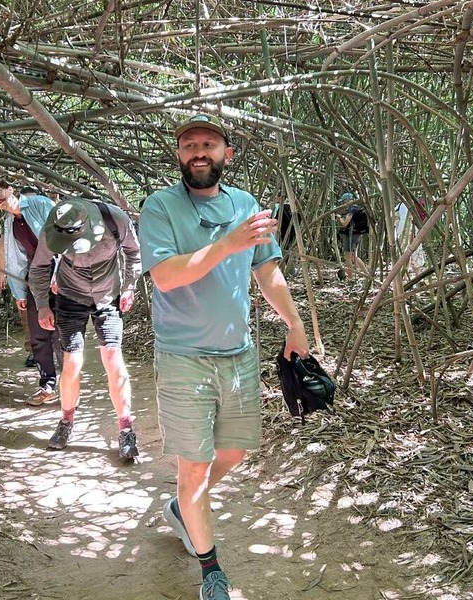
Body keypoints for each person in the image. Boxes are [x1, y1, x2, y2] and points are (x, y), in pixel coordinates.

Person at [138, 114, 315, 600]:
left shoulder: (245, 205)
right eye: (189, 145)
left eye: (209, 144)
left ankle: (182, 507)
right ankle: (211, 571)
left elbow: (266, 270)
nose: (199, 152)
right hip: (184, 356)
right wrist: (227, 243)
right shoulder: (160, 206)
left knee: (233, 453)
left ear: (226, 154)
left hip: (238, 355)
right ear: (179, 155)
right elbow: (166, 276)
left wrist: (295, 323)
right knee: (194, 467)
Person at [28, 197, 142, 460]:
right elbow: (40, 266)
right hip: (70, 295)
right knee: (72, 362)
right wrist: (42, 304)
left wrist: (129, 286)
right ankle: (66, 421)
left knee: (113, 358)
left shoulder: (115, 219)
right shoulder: (53, 227)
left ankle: (126, 428)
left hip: (108, 295)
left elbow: (133, 252)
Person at [0, 180, 61, 405]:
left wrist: (60, 271)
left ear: (10, 189)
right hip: (35, 277)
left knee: (62, 334)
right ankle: (47, 385)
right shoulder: (10, 222)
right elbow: (14, 257)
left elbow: (63, 238)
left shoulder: (41, 204)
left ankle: (70, 385)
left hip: (60, 273)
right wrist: (19, 291)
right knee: (38, 334)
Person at [336, 191, 369, 278]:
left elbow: (345, 223)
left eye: (344, 202)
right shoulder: (357, 208)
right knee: (354, 256)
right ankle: (366, 274)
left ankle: (350, 277)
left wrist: (340, 218)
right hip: (356, 235)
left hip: (351, 235)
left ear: (347, 200)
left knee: (347, 257)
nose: (343, 204)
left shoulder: (352, 209)